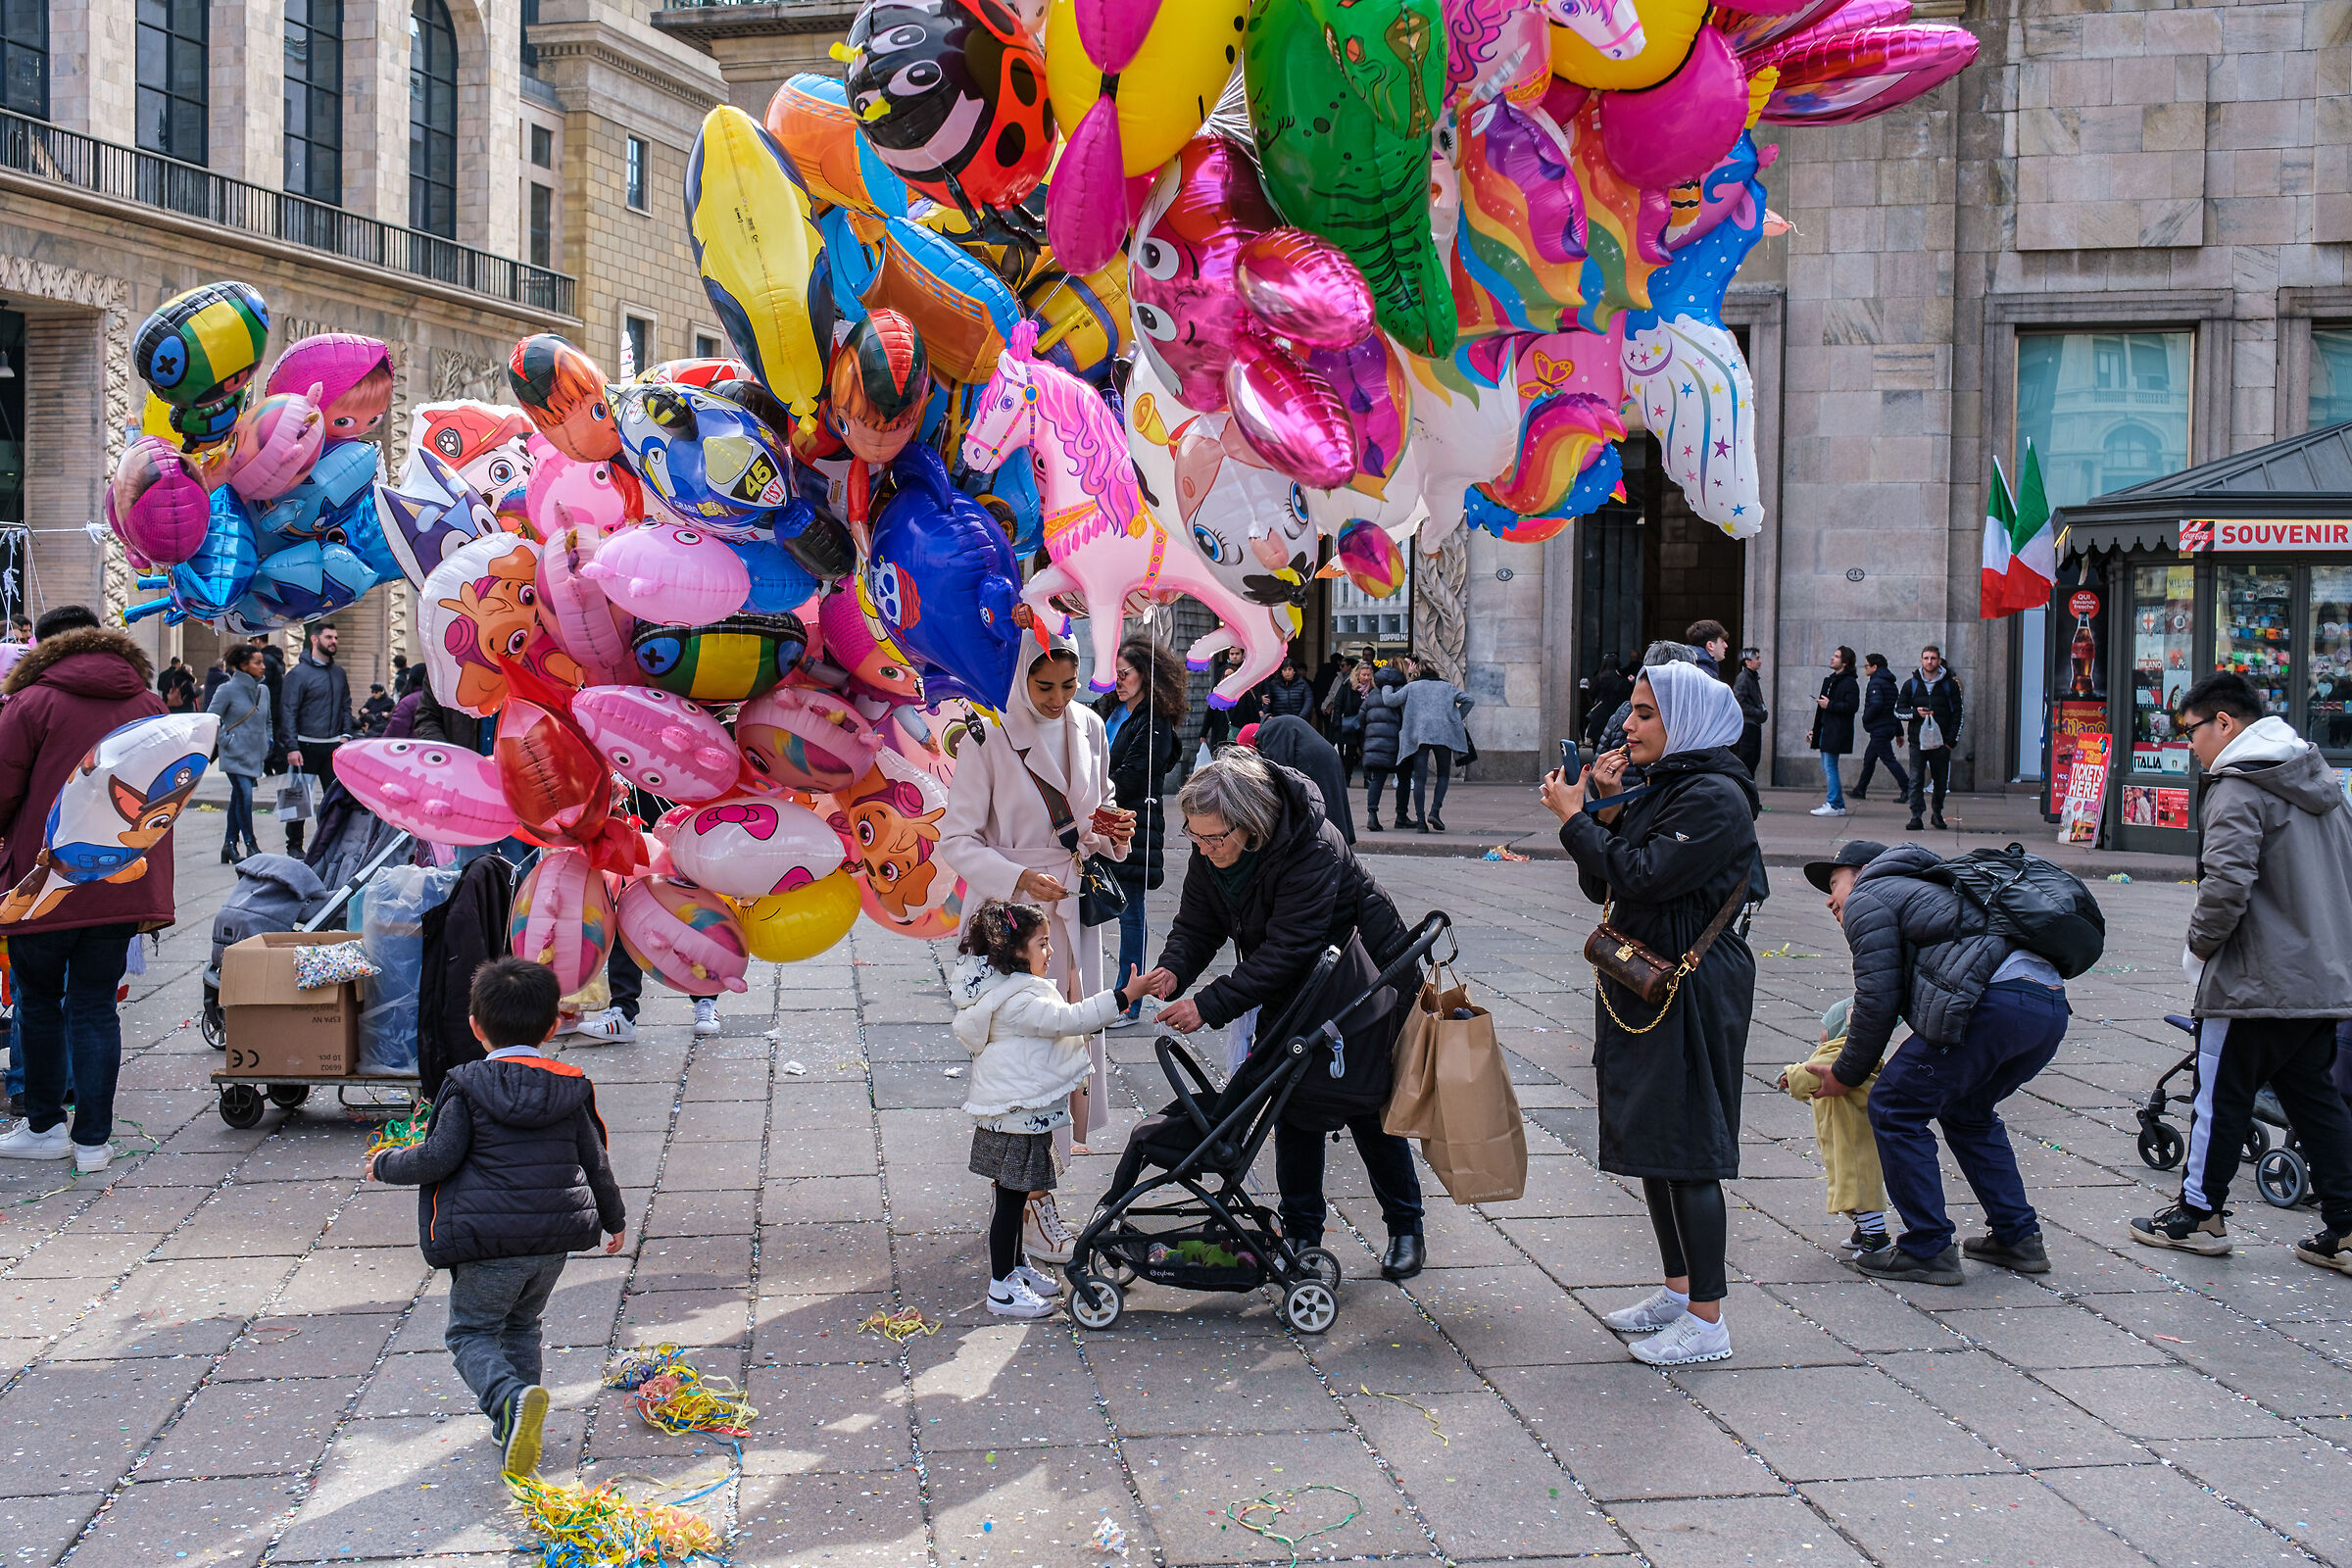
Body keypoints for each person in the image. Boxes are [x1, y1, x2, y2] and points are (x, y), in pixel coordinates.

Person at [1131, 750, 1426, 1278]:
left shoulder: (1311, 844)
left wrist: (1209, 1005)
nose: (1202, 847)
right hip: (1298, 984)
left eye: (1213, 838)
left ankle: (1406, 1228)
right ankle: (1301, 1234)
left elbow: (1291, 946)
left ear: (1250, 825)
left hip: (1361, 981)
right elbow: (1197, 923)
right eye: (1193, 836)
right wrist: (1174, 971)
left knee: (1364, 1102)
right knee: (1292, 1104)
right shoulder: (1213, 849)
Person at [1543, 661, 1758, 1365]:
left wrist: (1580, 820)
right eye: (1632, 711)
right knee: (1659, 1144)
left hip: (1691, 986)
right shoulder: (1668, 787)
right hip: (1647, 980)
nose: (1627, 725)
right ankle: (1677, 1290)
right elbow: (1604, 882)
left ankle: (1708, 1320)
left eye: (1644, 713)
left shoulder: (1715, 799)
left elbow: (1642, 875)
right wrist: (1606, 804)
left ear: (1686, 722)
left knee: (1690, 1148)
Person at [367, 957, 626, 1477]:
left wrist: (386, 1164)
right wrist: (613, 1220)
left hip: (487, 1241)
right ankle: (516, 1421)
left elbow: (438, 1157)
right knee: (522, 1324)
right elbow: (595, 1157)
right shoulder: (572, 1086)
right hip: (552, 1240)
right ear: (554, 1026)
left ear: (475, 1026)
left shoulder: (466, 1086)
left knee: (471, 1333)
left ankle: (508, 1400)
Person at [2127, 673, 2352, 1269]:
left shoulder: (2236, 787)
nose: (2189, 745)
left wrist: (2197, 951)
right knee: (2315, 1101)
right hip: (2322, 977)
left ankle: (2198, 1215)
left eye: (2191, 731)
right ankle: (2348, 1227)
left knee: (2217, 1097)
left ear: (2224, 723)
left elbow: (2225, 887)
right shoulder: (2321, 782)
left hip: (2255, 979)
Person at [939, 626, 1132, 1258]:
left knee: (1070, 1046)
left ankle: (1042, 1194)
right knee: (1020, 1060)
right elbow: (957, 841)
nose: (1056, 698)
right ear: (1020, 676)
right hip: (1012, 920)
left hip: (1073, 907)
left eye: (1069, 685)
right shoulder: (986, 734)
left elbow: (1094, 821)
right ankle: (1020, 1200)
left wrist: (1112, 830)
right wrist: (1018, 876)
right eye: (1043, 685)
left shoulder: (1091, 727)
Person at [1806, 838, 2068, 1286]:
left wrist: (1846, 1074)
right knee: (1967, 1111)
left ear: (1865, 869)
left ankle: (1928, 1248)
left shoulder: (1872, 893)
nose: (1830, 899)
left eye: (1834, 882)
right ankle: (2017, 1238)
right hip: (2047, 1004)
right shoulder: (1939, 889)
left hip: (1995, 1005)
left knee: (1893, 1106)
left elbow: (1878, 999)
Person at [0, 607, 172, 1174]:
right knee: (97, 1006)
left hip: (44, 878)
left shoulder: (32, 702)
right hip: (119, 878)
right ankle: (94, 1141)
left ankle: (45, 1127)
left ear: (49, 648)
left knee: (39, 1004)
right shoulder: (148, 704)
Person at [954, 900, 1155, 1316]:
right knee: (1010, 1201)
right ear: (1016, 953)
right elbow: (1071, 1020)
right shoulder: (1021, 1000)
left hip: (1015, 1110)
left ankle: (1015, 1268)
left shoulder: (1008, 990)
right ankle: (1001, 1287)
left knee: (1013, 1197)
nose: (1050, 952)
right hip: (1016, 1113)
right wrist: (1124, 997)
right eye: (1043, 944)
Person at [1095, 636, 1184, 1030]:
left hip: (1131, 826)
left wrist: (1094, 790)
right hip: (1099, 820)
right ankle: (1099, 991)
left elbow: (1134, 775)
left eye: (1124, 674)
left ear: (1146, 675)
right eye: (1114, 675)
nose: (1118, 681)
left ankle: (1129, 1001)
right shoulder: (1110, 709)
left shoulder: (1154, 721)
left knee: (1131, 912)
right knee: (1092, 907)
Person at [1779, 996, 1888, 1253]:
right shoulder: (1854, 1050)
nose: (1821, 1032)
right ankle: (1864, 1230)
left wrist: (1789, 1076)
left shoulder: (1842, 1051)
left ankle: (1876, 1238)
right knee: (1850, 1185)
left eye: (1826, 1025)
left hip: (1852, 1138)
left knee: (1858, 1186)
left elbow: (1813, 1073)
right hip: (1845, 1134)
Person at [277, 623, 353, 855]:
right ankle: (294, 846)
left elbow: (345, 706)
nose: (334, 641)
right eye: (329, 637)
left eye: (336, 637)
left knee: (336, 798)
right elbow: (288, 710)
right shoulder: (298, 675)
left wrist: (346, 735)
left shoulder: (339, 673)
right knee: (297, 799)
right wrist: (291, 746)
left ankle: (330, 842)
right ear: (314, 639)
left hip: (332, 747)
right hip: (303, 746)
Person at [1389, 657, 1474, 833]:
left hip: (1420, 735)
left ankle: (1421, 821)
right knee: (1443, 775)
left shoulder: (1411, 687)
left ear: (1417, 672)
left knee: (1420, 778)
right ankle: (1435, 811)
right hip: (1443, 733)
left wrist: (1386, 685)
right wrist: (1456, 717)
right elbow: (1469, 700)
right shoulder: (1446, 687)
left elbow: (1391, 700)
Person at [206, 644, 271, 864]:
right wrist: (227, 742)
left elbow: (268, 720)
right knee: (245, 795)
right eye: (257, 663)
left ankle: (229, 845)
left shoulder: (263, 691)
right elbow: (211, 720)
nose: (263, 667)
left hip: (255, 753)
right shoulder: (227, 690)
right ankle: (251, 844)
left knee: (238, 797)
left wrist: (267, 741)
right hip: (233, 754)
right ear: (243, 666)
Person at [1253, 713, 1356, 845]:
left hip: (1315, 763)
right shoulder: (1281, 724)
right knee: (1331, 804)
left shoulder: (1268, 731)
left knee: (1320, 808)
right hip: (1327, 758)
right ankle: (1337, 842)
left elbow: (1278, 769)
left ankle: (1326, 843)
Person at [1895, 645, 1962, 831]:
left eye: (1933, 658)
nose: (1929, 661)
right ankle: (1916, 815)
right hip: (1918, 741)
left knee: (1940, 780)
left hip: (1941, 742)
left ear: (1939, 661)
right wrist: (1915, 714)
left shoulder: (1950, 685)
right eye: (1926, 658)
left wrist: (1950, 742)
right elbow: (1898, 711)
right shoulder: (1912, 684)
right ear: (1921, 660)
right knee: (1916, 779)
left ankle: (1937, 814)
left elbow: (1959, 714)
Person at [1359, 659, 1414, 832]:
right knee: (1404, 779)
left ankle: (1372, 815)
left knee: (1377, 779)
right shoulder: (1402, 693)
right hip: (1398, 744)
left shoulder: (1374, 693)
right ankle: (1401, 816)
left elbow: (1361, 717)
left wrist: (1371, 733)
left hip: (1376, 743)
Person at [1808, 645, 1859, 817]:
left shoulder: (1850, 682)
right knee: (1826, 766)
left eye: (1836, 656)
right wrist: (1815, 730)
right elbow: (1821, 710)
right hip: (1826, 728)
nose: (1832, 658)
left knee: (1830, 766)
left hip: (1837, 730)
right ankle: (1837, 802)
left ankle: (1834, 804)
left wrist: (1830, 705)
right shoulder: (1830, 680)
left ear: (1845, 662)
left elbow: (1852, 706)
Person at [1853, 654, 1910, 804]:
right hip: (1887, 727)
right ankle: (1860, 789)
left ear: (1875, 667)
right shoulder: (1890, 683)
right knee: (1869, 759)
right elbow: (1895, 709)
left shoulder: (1876, 683)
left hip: (1880, 728)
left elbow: (1877, 705)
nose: (1865, 668)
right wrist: (1898, 732)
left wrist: (1865, 718)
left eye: (1867, 666)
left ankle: (1908, 788)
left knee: (1889, 759)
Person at [1325, 661, 1370, 784]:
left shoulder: (1372, 689)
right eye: (1363, 675)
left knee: (1366, 752)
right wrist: (1337, 724)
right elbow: (1338, 705)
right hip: (1350, 724)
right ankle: (1347, 778)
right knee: (1349, 754)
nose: (1366, 678)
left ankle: (1367, 778)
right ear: (1357, 675)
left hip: (1366, 725)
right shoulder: (1347, 686)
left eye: (1368, 675)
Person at [1583, 653, 1633, 750]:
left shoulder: (1599, 678)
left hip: (1600, 713)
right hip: (1616, 712)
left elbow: (1591, 693)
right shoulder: (1622, 680)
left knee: (1597, 743)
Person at [1731, 648, 1768, 777]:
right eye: (1757, 658)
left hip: (1753, 724)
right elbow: (1738, 701)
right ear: (1747, 661)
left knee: (1752, 761)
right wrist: (1757, 712)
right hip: (1748, 725)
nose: (1760, 661)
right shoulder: (1744, 678)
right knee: (1747, 761)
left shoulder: (1751, 677)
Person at [1259, 654, 1316, 721]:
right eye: (1285, 670)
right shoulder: (1273, 684)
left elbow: (1308, 701)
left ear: (1294, 671)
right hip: (1279, 721)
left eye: (1290, 669)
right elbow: (1267, 701)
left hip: (1298, 720)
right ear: (1281, 672)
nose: (1287, 672)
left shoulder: (1302, 684)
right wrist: (1264, 711)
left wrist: (1301, 717)